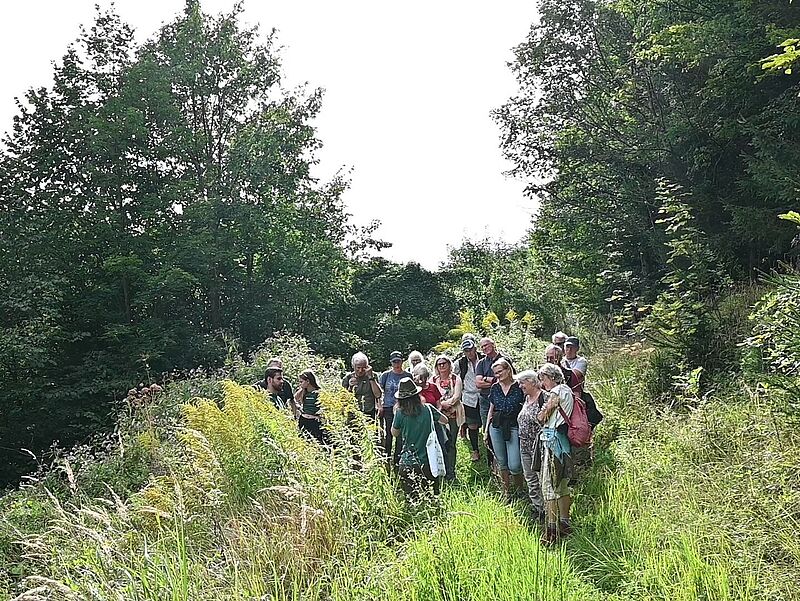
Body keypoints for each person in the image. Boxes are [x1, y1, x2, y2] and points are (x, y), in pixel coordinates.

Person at [536, 362, 574, 545]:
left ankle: (551, 531)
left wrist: (542, 412)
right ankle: (565, 523)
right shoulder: (568, 390)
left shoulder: (557, 392)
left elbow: (542, 417)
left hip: (553, 442)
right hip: (564, 442)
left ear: (550, 377)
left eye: (542, 379)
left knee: (548, 487)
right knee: (562, 486)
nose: (542, 384)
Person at [391, 377, 448, 500]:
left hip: (408, 462)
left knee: (412, 500)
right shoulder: (428, 408)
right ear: (417, 394)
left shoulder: (400, 413)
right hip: (429, 461)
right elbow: (445, 420)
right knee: (433, 497)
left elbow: (394, 433)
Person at [485, 357, 524, 501]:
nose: (498, 375)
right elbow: (491, 408)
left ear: (508, 370)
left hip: (513, 426)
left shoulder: (519, 386)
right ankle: (506, 492)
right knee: (502, 462)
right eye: (495, 373)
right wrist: (486, 428)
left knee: (514, 465)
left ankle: (520, 489)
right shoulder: (495, 387)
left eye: (500, 371)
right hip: (496, 425)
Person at [516, 370, 545, 520]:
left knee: (542, 478)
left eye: (522, 383)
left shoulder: (544, 397)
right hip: (524, 445)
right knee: (530, 478)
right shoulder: (526, 398)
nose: (520, 386)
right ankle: (537, 508)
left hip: (539, 446)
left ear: (532, 382)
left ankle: (548, 508)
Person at [432, 355, 464, 481]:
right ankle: (441, 470)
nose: (442, 366)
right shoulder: (433, 380)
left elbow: (457, 396)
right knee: (440, 443)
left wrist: (444, 404)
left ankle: (451, 471)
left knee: (451, 443)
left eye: (444, 363)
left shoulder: (456, 379)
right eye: (439, 364)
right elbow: (430, 393)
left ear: (449, 364)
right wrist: (439, 405)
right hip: (438, 416)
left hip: (453, 415)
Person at [379, 351, 411, 466]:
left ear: (402, 361)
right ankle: (386, 458)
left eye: (398, 361)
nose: (397, 364)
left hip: (403, 409)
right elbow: (379, 391)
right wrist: (379, 405)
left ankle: (397, 460)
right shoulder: (385, 375)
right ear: (391, 363)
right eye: (394, 362)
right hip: (388, 407)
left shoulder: (407, 376)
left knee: (401, 435)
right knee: (388, 434)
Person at [457, 338, 483, 461]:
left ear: (475, 348)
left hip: (484, 394)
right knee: (472, 425)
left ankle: (490, 450)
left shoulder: (483, 359)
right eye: (466, 351)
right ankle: (475, 450)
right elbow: (454, 376)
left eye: (471, 350)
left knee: (487, 423)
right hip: (469, 397)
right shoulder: (460, 363)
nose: (469, 353)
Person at [342, 352, 382, 419]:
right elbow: (343, 400)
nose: (360, 370)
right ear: (353, 366)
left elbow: (378, 395)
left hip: (369, 412)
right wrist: (350, 387)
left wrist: (371, 378)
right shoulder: (347, 378)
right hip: (353, 413)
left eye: (363, 368)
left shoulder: (373, 375)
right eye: (358, 367)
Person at [292, 370, 326, 443]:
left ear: (308, 381)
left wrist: (320, 416)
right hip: (304, 420)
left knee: (316, 442)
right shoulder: (303, 391)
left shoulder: (318, 392)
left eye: (301, 382)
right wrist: (299, 407)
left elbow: (325, 406)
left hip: (314, 421)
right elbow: (293, 399)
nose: (300, 384)